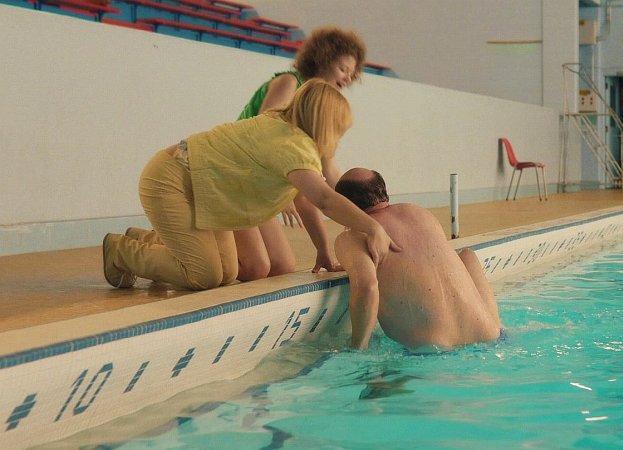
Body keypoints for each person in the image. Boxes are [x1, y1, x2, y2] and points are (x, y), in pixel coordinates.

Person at [102, 80, 399, 291]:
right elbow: (324, 199)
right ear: (325, 125)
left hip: (205, 190)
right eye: (338, 130)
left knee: (227, 272)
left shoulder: (290, 132)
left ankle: (147, 239)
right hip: (171, 180)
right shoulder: (292, 144)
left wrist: (322, 250)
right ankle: (120, 251)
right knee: (203, 276)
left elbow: (307, 200)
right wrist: (373, 228)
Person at [234, 26, 367, 281]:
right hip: (240, 178)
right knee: (256, 267)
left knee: (282, 266)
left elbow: (328, 173)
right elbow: (264, 136)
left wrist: (357, 212)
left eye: (352, 75)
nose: (347, 79)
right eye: (343, 69)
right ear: (324, 58)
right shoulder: (290, 82)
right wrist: (285, 192)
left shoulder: (319, 108)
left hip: (260, 189)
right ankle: (195, 242)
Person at [333, 168, 503, 352]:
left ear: (343, 206)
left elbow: (367, 286)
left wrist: (357, 348)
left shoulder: (352, 237)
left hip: (432, 351)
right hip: (490, 336)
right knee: (467, 255)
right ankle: (501, 325)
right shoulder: (420, 213)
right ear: (382, 191)